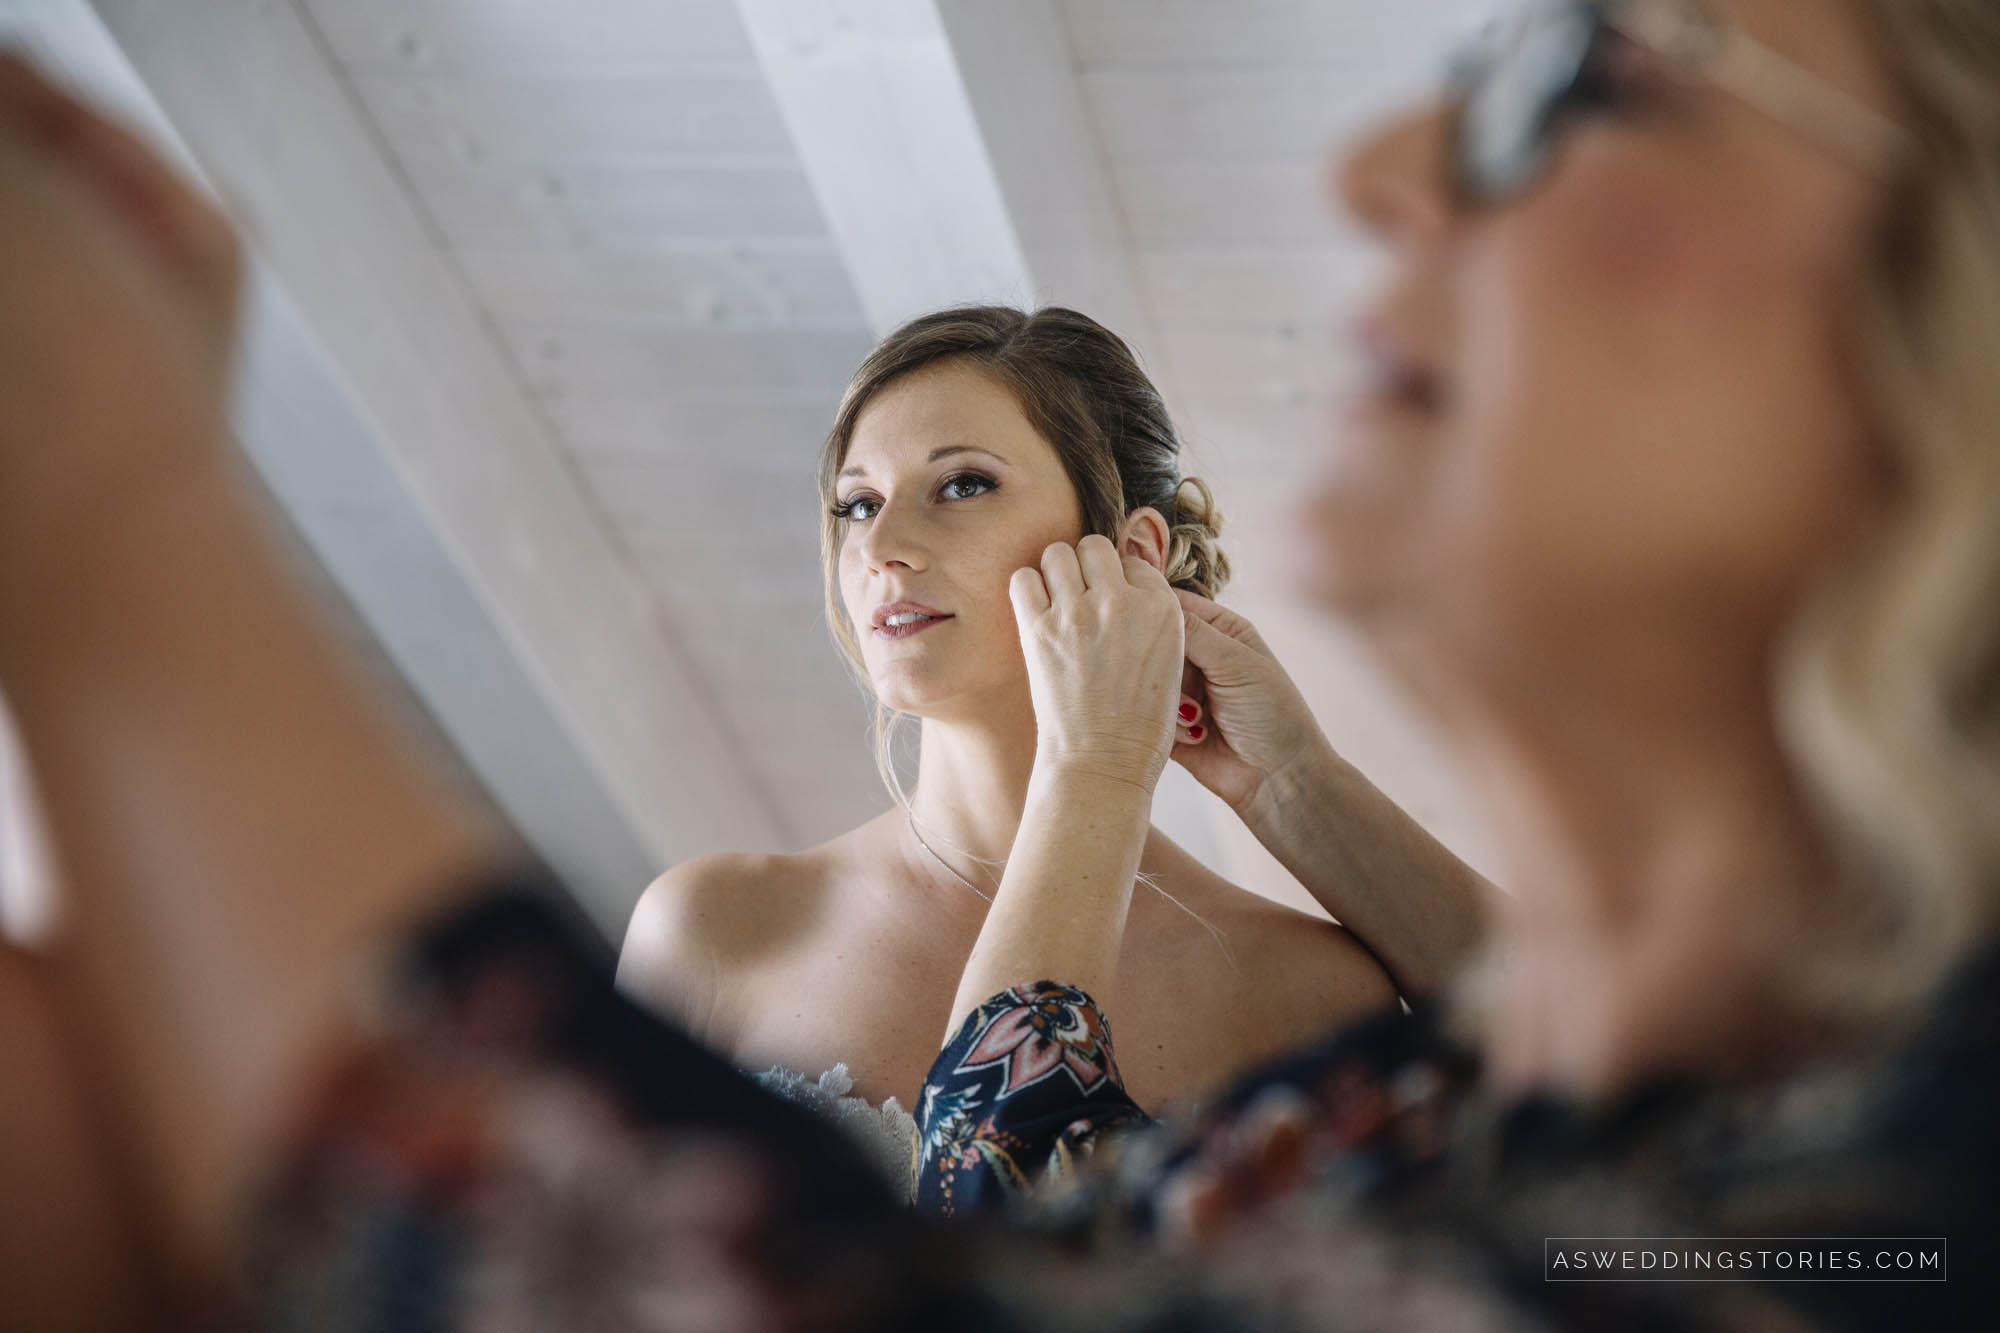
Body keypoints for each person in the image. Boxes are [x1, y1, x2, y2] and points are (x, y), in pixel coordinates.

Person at [2, 0, 1996, 1326]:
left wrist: (108, 499)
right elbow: (1583, 1096)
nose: (1380, 171)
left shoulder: (1897, 1207)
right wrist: (1287, 784)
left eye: (1593, 73)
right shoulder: (1578, 1118)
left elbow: (944, 1258)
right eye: (853, 504)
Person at [615, 306, 1486, 1125]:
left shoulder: (1304, 990)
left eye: (961, 484)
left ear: (1131, 553)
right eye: (857, 504)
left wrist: (1295, 781)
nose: (880, 549)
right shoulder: (714, 932)